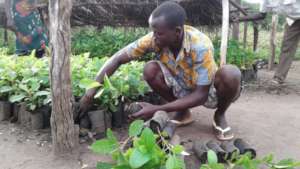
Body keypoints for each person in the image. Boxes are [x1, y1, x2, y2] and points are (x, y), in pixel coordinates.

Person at [79, 1, 241, 141]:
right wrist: (90, 92)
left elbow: (201, 95)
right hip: (181, 85)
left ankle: (219, 115)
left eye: (159, 33)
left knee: (231, 74)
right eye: (153, 32)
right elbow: (117, 58)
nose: (154, 37)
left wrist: (156, 108)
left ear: (177, 32)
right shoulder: (154, 39)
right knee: (150, 69)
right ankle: (182, 111)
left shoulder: (200, 45)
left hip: (206, 89)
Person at [236, 0, 300, 84]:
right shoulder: (265, 1)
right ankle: (279, 77)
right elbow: (261, 15)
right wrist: (240, 19)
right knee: (287, 46)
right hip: (293, 20)